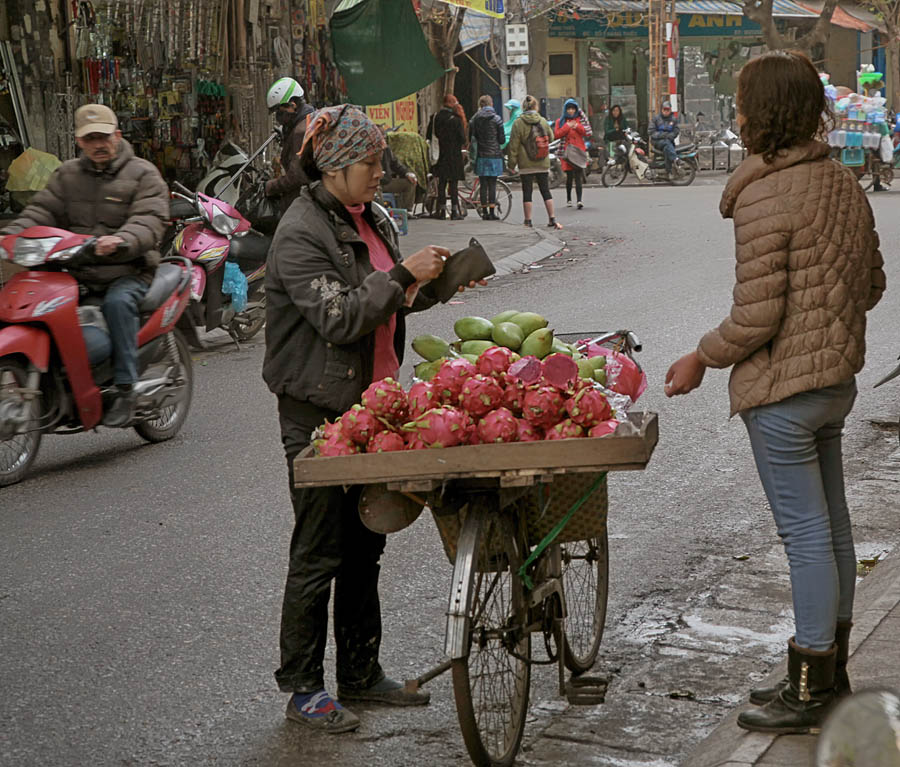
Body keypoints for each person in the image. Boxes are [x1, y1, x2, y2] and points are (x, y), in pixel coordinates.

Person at [665, 51, 885, 735]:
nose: (735, 114)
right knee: (834, 527)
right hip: (834, 383)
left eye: (740, 104)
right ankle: (827, 670)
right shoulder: (841, 182)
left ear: (764, 114)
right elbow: (871, 284)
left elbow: (756, 318)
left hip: (786, 392)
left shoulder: (764, 195)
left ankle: (811, 681)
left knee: (806, 536)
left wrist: (701, 356)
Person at [263, 104, 485, 734]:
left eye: (380, 160)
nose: (380, 172)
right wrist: (399, 276)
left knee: (366, 545)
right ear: (334, 165)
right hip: (320, 412)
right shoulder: (300, 232)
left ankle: (361, 673)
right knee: (319, 549)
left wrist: (431, 283)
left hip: (373, 405)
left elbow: (387, 298)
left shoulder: (370, 217)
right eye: (370, 161)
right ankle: (304, 687)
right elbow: (339, 317)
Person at [0, 103, 168, 427]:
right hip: (78, 273)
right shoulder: (66, 176)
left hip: (129, 270)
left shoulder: (143, 174)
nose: (98, 144)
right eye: (90, 138)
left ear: (117, 135)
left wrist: (122, 240)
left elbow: (149, 219)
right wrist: (9, 236)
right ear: (79, 141)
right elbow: (40, 212)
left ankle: (126, 388)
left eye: (103, 136)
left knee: (118, 304)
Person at [507, 95, 560, 229]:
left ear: (523, 107)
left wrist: (511, 165)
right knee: (545, 190)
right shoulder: (542, 121)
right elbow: (551, 137)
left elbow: (513, 146)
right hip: (542, 161)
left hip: (526, 163)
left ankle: (528, 221)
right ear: (536, 107)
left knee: (527, 192)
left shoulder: (518, 123)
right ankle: (552, 218)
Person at [265, 77, 316, 214]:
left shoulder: (300, 131)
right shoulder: (310, 119)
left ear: (292, 105)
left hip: (303, 204)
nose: (278, 117)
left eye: (279, 111)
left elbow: (296, 176)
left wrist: (270, 186)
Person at [426, 94, 467, 220]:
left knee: (441, 183)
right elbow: (462, 139)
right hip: (454, 155)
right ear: (452, 103)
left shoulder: (435, 117)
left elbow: (428, 135)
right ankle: (455, 211)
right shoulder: (456, 119)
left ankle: (441, 211)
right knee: (453, 184)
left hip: (440, 155)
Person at [468, 95, 506, 220]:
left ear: (481, 105)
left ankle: (483, 212)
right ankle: (492, 212)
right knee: (493, 184)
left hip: (481, 155)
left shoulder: (475, 119)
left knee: (483, 184)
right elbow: (502, 140)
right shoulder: (497, 119)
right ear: (491, 104)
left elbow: (472, 137)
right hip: (494, 156)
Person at [554, 98, 591, 209]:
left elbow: (588, 132)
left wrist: (577, 126)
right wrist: (567, 126)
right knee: (569, 176)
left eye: (573, 108)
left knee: (578, 175)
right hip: (567, 152)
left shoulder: (581, 120)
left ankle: (579, 200)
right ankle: (569, 199)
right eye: (569, 108)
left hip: (578, 151)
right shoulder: (560, 121)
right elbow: (557, 134)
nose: (571, 111)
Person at [379, 140, 418, 212]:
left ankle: (406, 211)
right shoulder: (366, 150)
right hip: (372, 182)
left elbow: (396, 164)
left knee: (410, 183)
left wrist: (407, 173)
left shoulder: (386, 149)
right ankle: (381, 214)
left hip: (386, 181)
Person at [650, 100, 679, 177]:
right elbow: (651, 132)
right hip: (657, 141)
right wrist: (662, 135)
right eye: (664, 109)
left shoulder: (673, 119)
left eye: (668, 110)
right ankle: (675, 159)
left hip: (669, 141)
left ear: (670, 110)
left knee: (667, 147)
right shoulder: (655, 119)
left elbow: (676, 131)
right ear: (661, 109)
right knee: (666, 143)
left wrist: (671, 136)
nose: (666, 111)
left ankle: (668, 171)